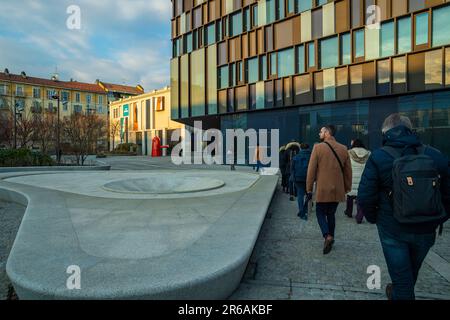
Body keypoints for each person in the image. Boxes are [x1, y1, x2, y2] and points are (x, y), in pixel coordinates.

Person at [358, 114, 450, 300]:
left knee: (402, 280)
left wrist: (376, 219)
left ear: (386, 132)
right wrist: (437, 218)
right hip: (425, 229)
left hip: (392, 229)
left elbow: (365, 196)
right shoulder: (434, 155)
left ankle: (401, 293)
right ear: (411, 129)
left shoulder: (379, 156)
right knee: (411, 273)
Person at [306, 125, 352, 255]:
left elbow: (311, 170)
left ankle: (327, 236)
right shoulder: (343, 149)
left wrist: (309, 188)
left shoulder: (318, 148)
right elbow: (348, 172)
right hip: (338, 188)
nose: (319, 134)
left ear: (327, 132)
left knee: (320, 213)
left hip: (322, 188)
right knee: (331, 214)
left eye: (320, 131)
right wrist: (347, 187)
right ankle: (331, 236)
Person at [345, 139, 371, 224]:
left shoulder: (349, 152)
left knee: (350, 195)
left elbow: (346, 166)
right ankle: (359, 216)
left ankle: (349, 212)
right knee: (360, 197)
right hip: (363, 178)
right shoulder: (368, 153)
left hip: (352, 178)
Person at [291, 143, 311, 220]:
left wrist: (294, 177)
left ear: (300, 149)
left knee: (300, 195)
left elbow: (292, 168)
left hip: (298, 178)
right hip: (308, 178)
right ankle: (305, 208)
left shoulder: (295, 157)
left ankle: (301, 210)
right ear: (308, 148)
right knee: (309, 194)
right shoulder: (311, 156)